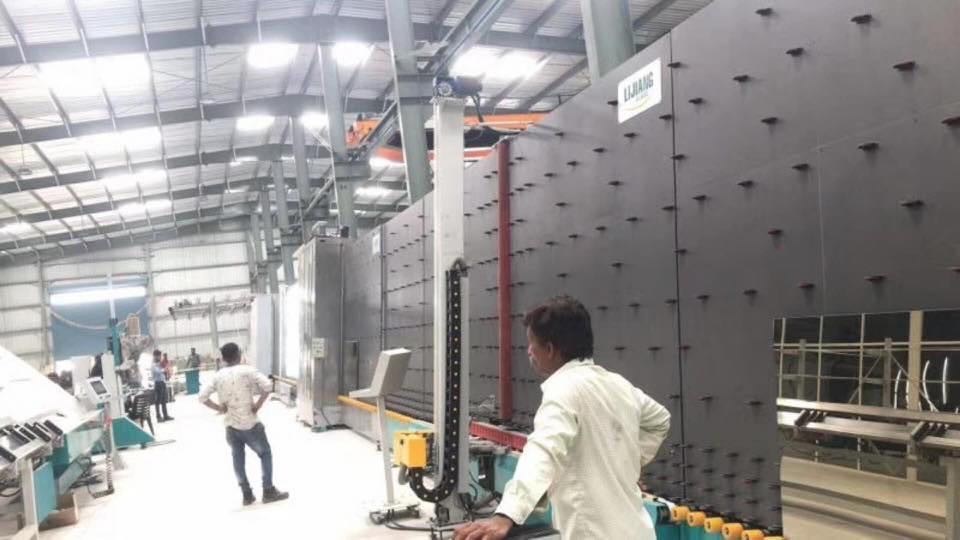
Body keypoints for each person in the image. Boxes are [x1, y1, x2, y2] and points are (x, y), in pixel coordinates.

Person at [454, 296, 671, 540]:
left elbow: (543, 451)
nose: (529, 351)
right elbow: (660, 420)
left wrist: (506, 514)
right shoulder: (618, 385)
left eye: (532, 344)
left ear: (550, 350)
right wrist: (628, 463)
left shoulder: (562, 391)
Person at [200, 342, 289, 506]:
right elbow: (268, 386)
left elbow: (202, 397)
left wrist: (219, 408)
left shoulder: (218, 376)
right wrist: (258, 405)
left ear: (223, 358)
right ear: (239, 355)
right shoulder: (248, 370)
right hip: (250, 424)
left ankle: (247, 494)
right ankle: (268, 490)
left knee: (238, 458)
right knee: (265, 453)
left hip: (230, 425)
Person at [151, 350, 173, 422]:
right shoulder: (153, 364)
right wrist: (164, 369)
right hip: (158, 383)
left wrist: (166, 367)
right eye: (159, 356)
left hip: (162, 382)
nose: (160, 357)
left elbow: (163, 370)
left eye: (160, 356)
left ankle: (165, 415)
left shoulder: (159, 363)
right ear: (155, 356)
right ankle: (158, 417)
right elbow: (158, 371)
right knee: (158, 401)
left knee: (164, 400)